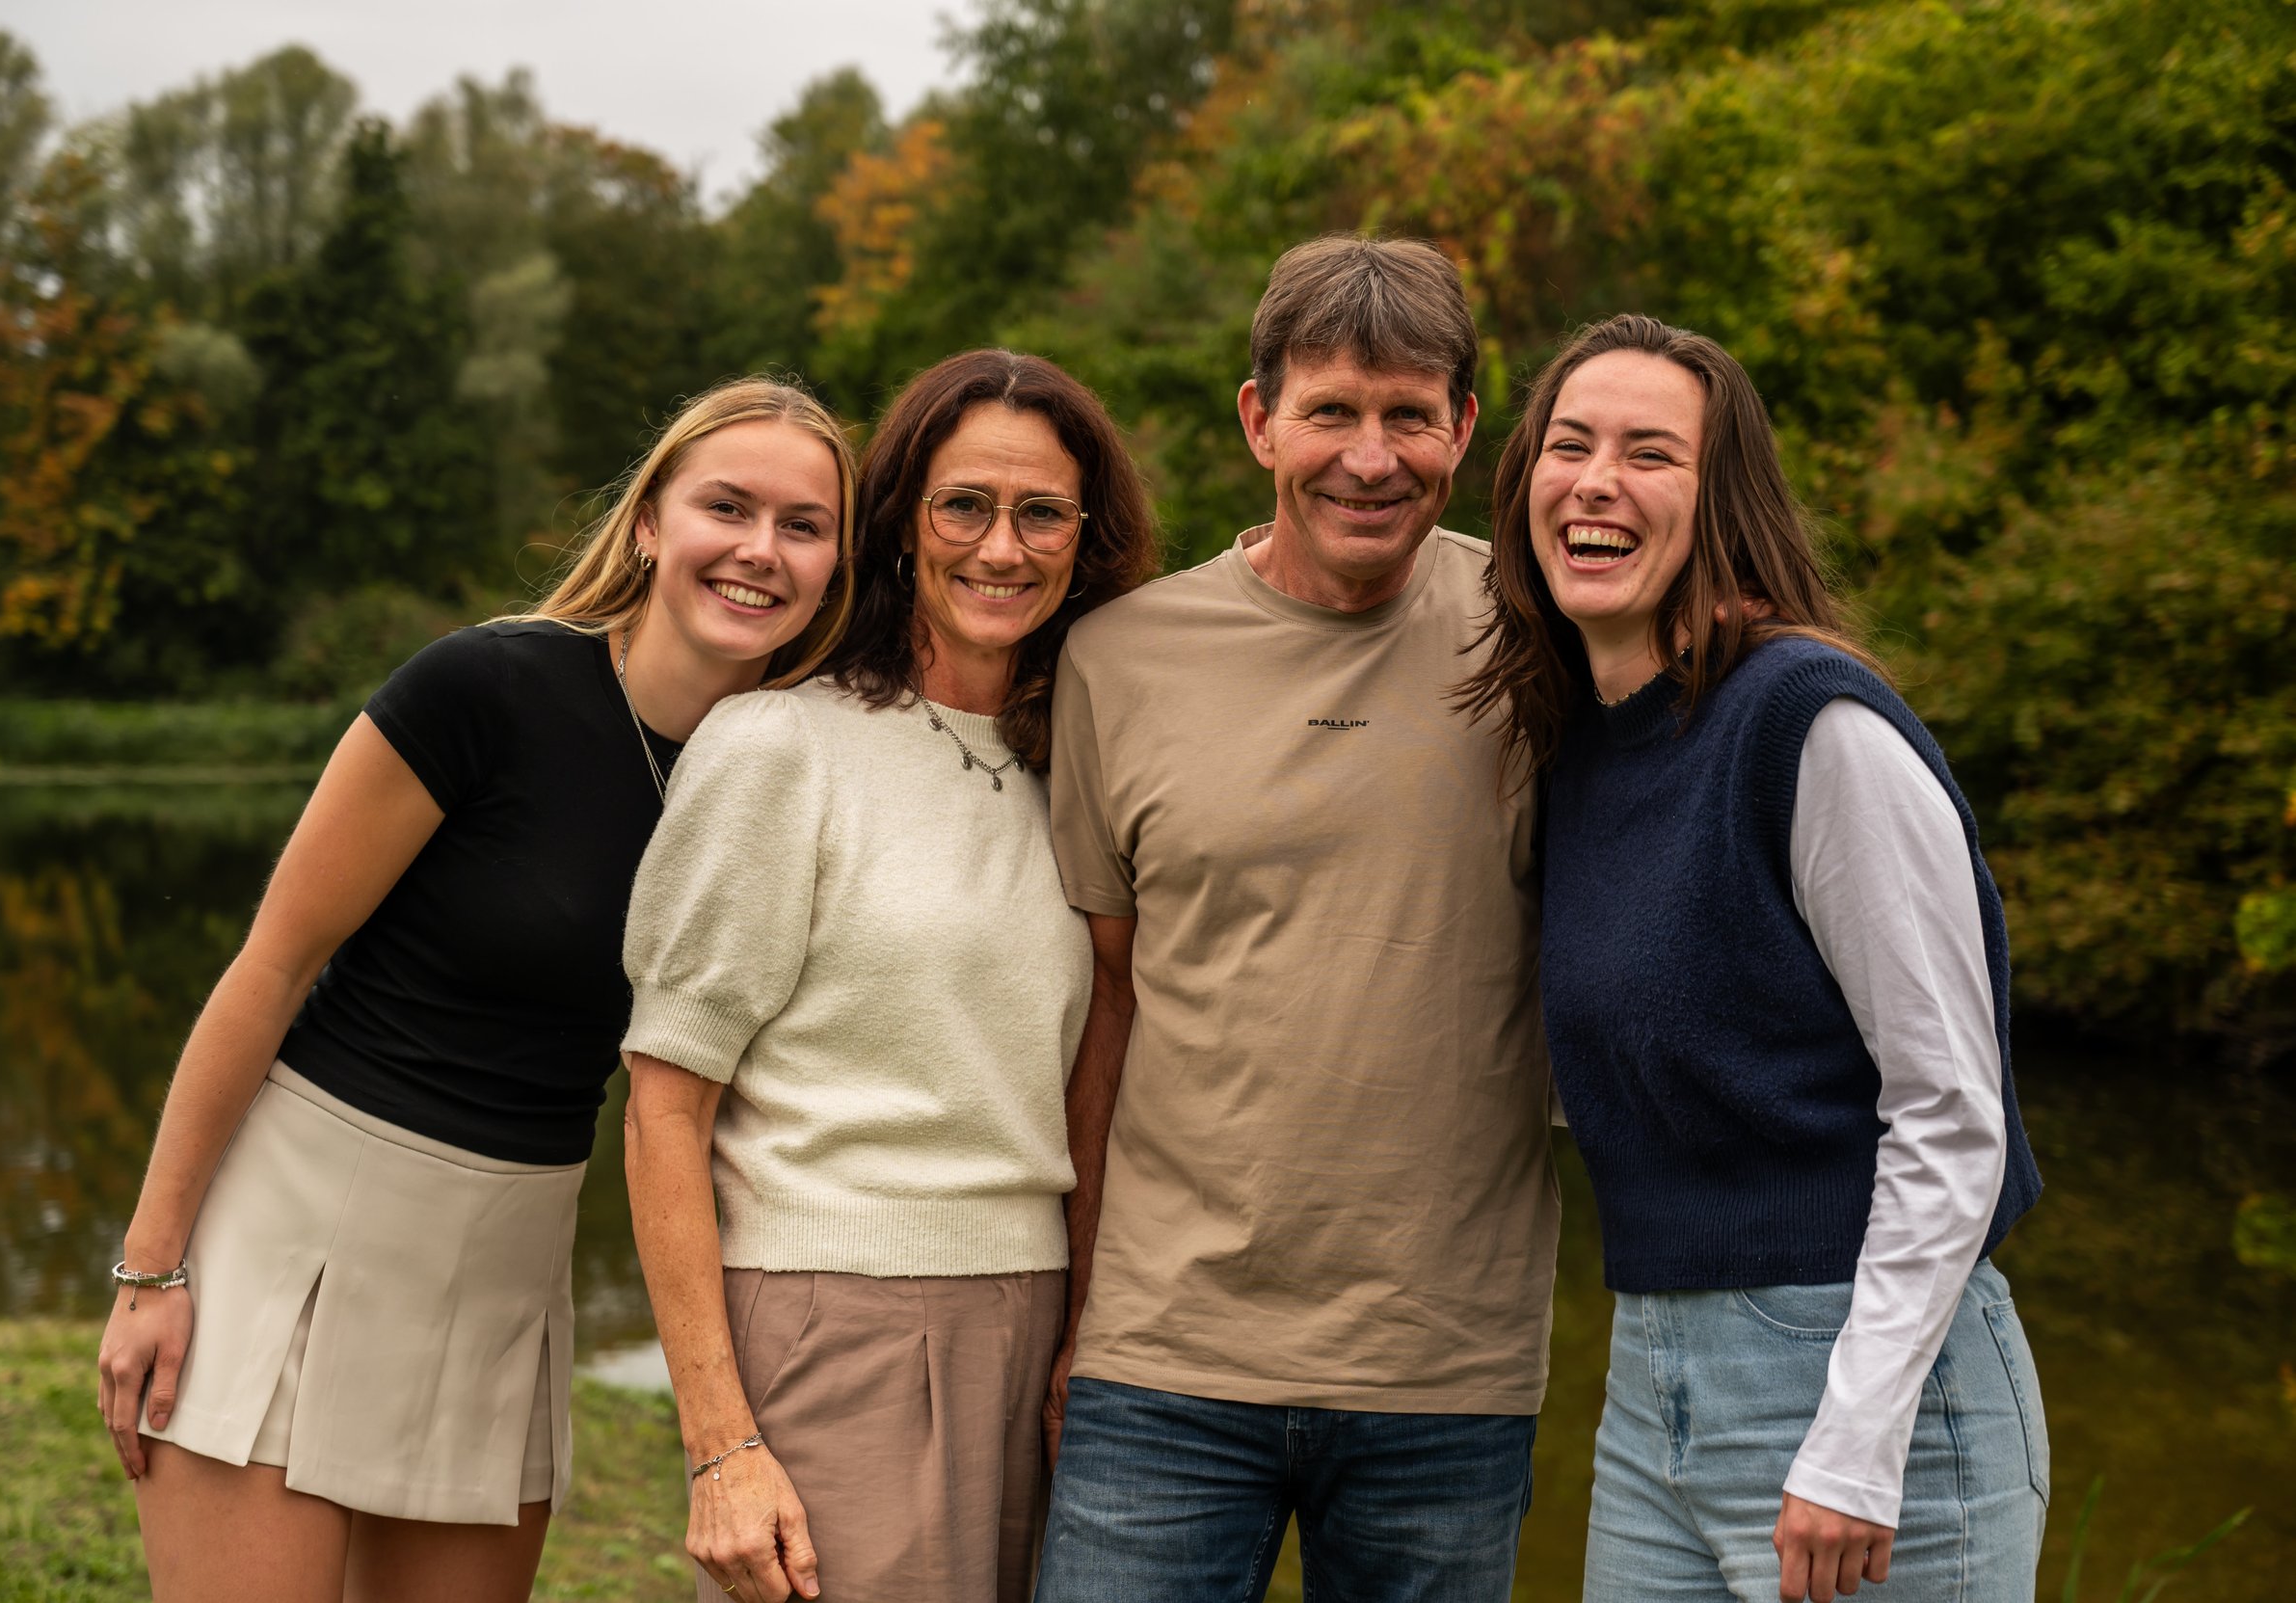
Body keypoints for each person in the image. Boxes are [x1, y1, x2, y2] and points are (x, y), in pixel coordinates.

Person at [93, 377, 859, 1603]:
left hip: (511, 1263)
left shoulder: (788, 761)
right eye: (728, 506)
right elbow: (270, 969)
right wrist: (151, 1268)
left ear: (834, 564)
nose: (761, 550)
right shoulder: (485, 690)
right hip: (305, 1227)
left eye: (804, 525)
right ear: (652, 523)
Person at [1456, 312, 2047, 1603]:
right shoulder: (1579, 742)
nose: (1598, 479)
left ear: (1722, 503)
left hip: (1870, 1378)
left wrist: (1855, 1438)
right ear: (1524, 488)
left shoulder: (1808, 725)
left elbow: (1954, 1111)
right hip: (1655, 1368)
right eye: (1569, 444)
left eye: (1650, 452)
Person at [1033, 235, 1559, 1602]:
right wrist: (1075, 1318)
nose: (1369, 457)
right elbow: (1107, 1005)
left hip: (1448, 1368)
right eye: (1331, 410)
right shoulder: (1118, 657)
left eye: (1407, 414)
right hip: (1162, 1362)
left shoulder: (1546, 633)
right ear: (1261, 419)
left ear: (1464, 425)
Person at [620, 349, 1161, 1603]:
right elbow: (662, 1107)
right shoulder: (777, 746)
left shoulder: (1076, 767)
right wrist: (720, 1442)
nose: (1002, 546)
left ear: (1088, 540)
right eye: (964, 503)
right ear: (901, 522)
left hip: (1044, 1326)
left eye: (1043, 513)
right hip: (835, 1320)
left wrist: (1084, 1327)